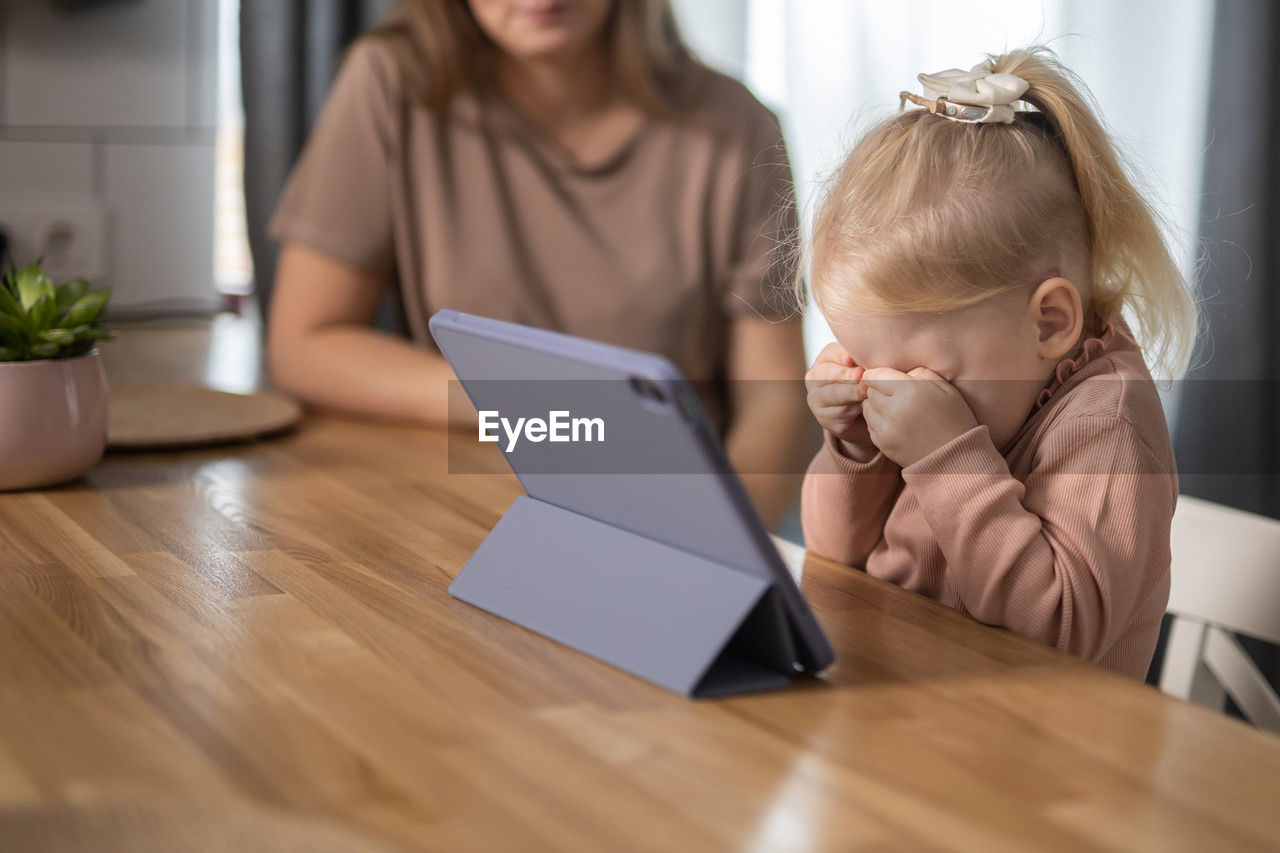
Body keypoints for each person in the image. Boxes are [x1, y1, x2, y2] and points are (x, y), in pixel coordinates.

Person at [267, 0, 814, 528]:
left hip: (662, 513)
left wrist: (727, 539)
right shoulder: (394, 82)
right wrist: (545, 407)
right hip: (459, 511)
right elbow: (305, 344)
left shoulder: (737, 126)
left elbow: (774, 394)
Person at [800, 47, 1197, 679]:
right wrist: (853, 447)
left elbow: (1058, 635)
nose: (892, 393)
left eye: (928, 377)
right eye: (863, 364)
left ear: (1049, 322)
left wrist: (947, 459)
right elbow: (832, 555)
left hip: (1045, 761)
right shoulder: (974, 386)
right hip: (906, 722)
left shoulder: (1109, 423)